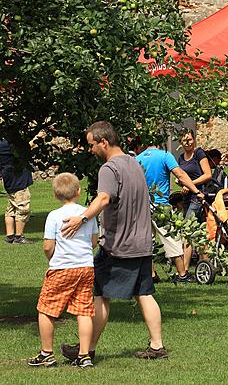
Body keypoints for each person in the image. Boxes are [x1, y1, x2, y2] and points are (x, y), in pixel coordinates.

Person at [59, 121, 169, 361]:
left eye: (92, 145)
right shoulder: (134, 163)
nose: (90, 150)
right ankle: (157, 345)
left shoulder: (109, 169)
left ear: (104, 142)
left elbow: (104, 198)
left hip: (119, 247)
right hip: (142, 243)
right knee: (144, 293)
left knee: (100, 294)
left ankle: (85, 350)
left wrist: (81, 218)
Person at [28, 173, 98, 368]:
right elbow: (94, 241)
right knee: (84, 310)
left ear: (55, 195)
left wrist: (52, 258)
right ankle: (84, 355)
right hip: (85, 267)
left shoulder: (54, 216)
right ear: (78, 191)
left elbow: (47, 246)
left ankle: (46, 353)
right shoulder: (87, 213)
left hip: (62, 268)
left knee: (46, 309)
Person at [136, 137, 204, 283]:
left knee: (148, 242)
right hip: (161, 206)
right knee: (172, 239)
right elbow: (180, 174)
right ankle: (182, 275)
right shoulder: (165, 155)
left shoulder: (138, 158)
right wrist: (196, 191)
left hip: (142, 206)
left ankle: (152, 275)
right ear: (159, 143)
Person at [1, 139, 33, 244]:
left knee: (11, 207)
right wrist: (38, 137)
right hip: (17, 179)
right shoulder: (7, 143)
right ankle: (19, 237)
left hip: (9, 179)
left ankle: (10, 236)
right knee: (23, 207)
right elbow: (25, 147)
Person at [177, 130, 211, 220]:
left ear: (194, 139)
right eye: (184, 141)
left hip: (197, 196)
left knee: (187, 225)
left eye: (190, 139)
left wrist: (189, 184)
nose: (187, 143)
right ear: (180, 142)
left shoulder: (198, 153)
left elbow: (208, 175)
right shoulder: (181, 158)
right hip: (186, 197)